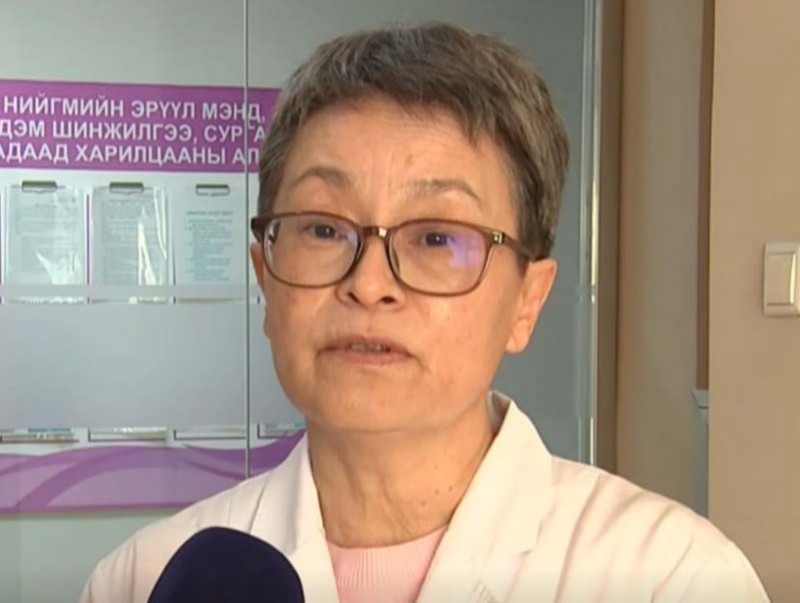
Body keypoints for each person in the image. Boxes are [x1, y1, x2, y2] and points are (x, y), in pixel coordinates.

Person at [81, 23, 768, 603]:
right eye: (323, 228)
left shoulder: (669, 576)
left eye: (437, 237)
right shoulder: (143, 580)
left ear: (527, 300)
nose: (369, 284)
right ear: (266, 276)